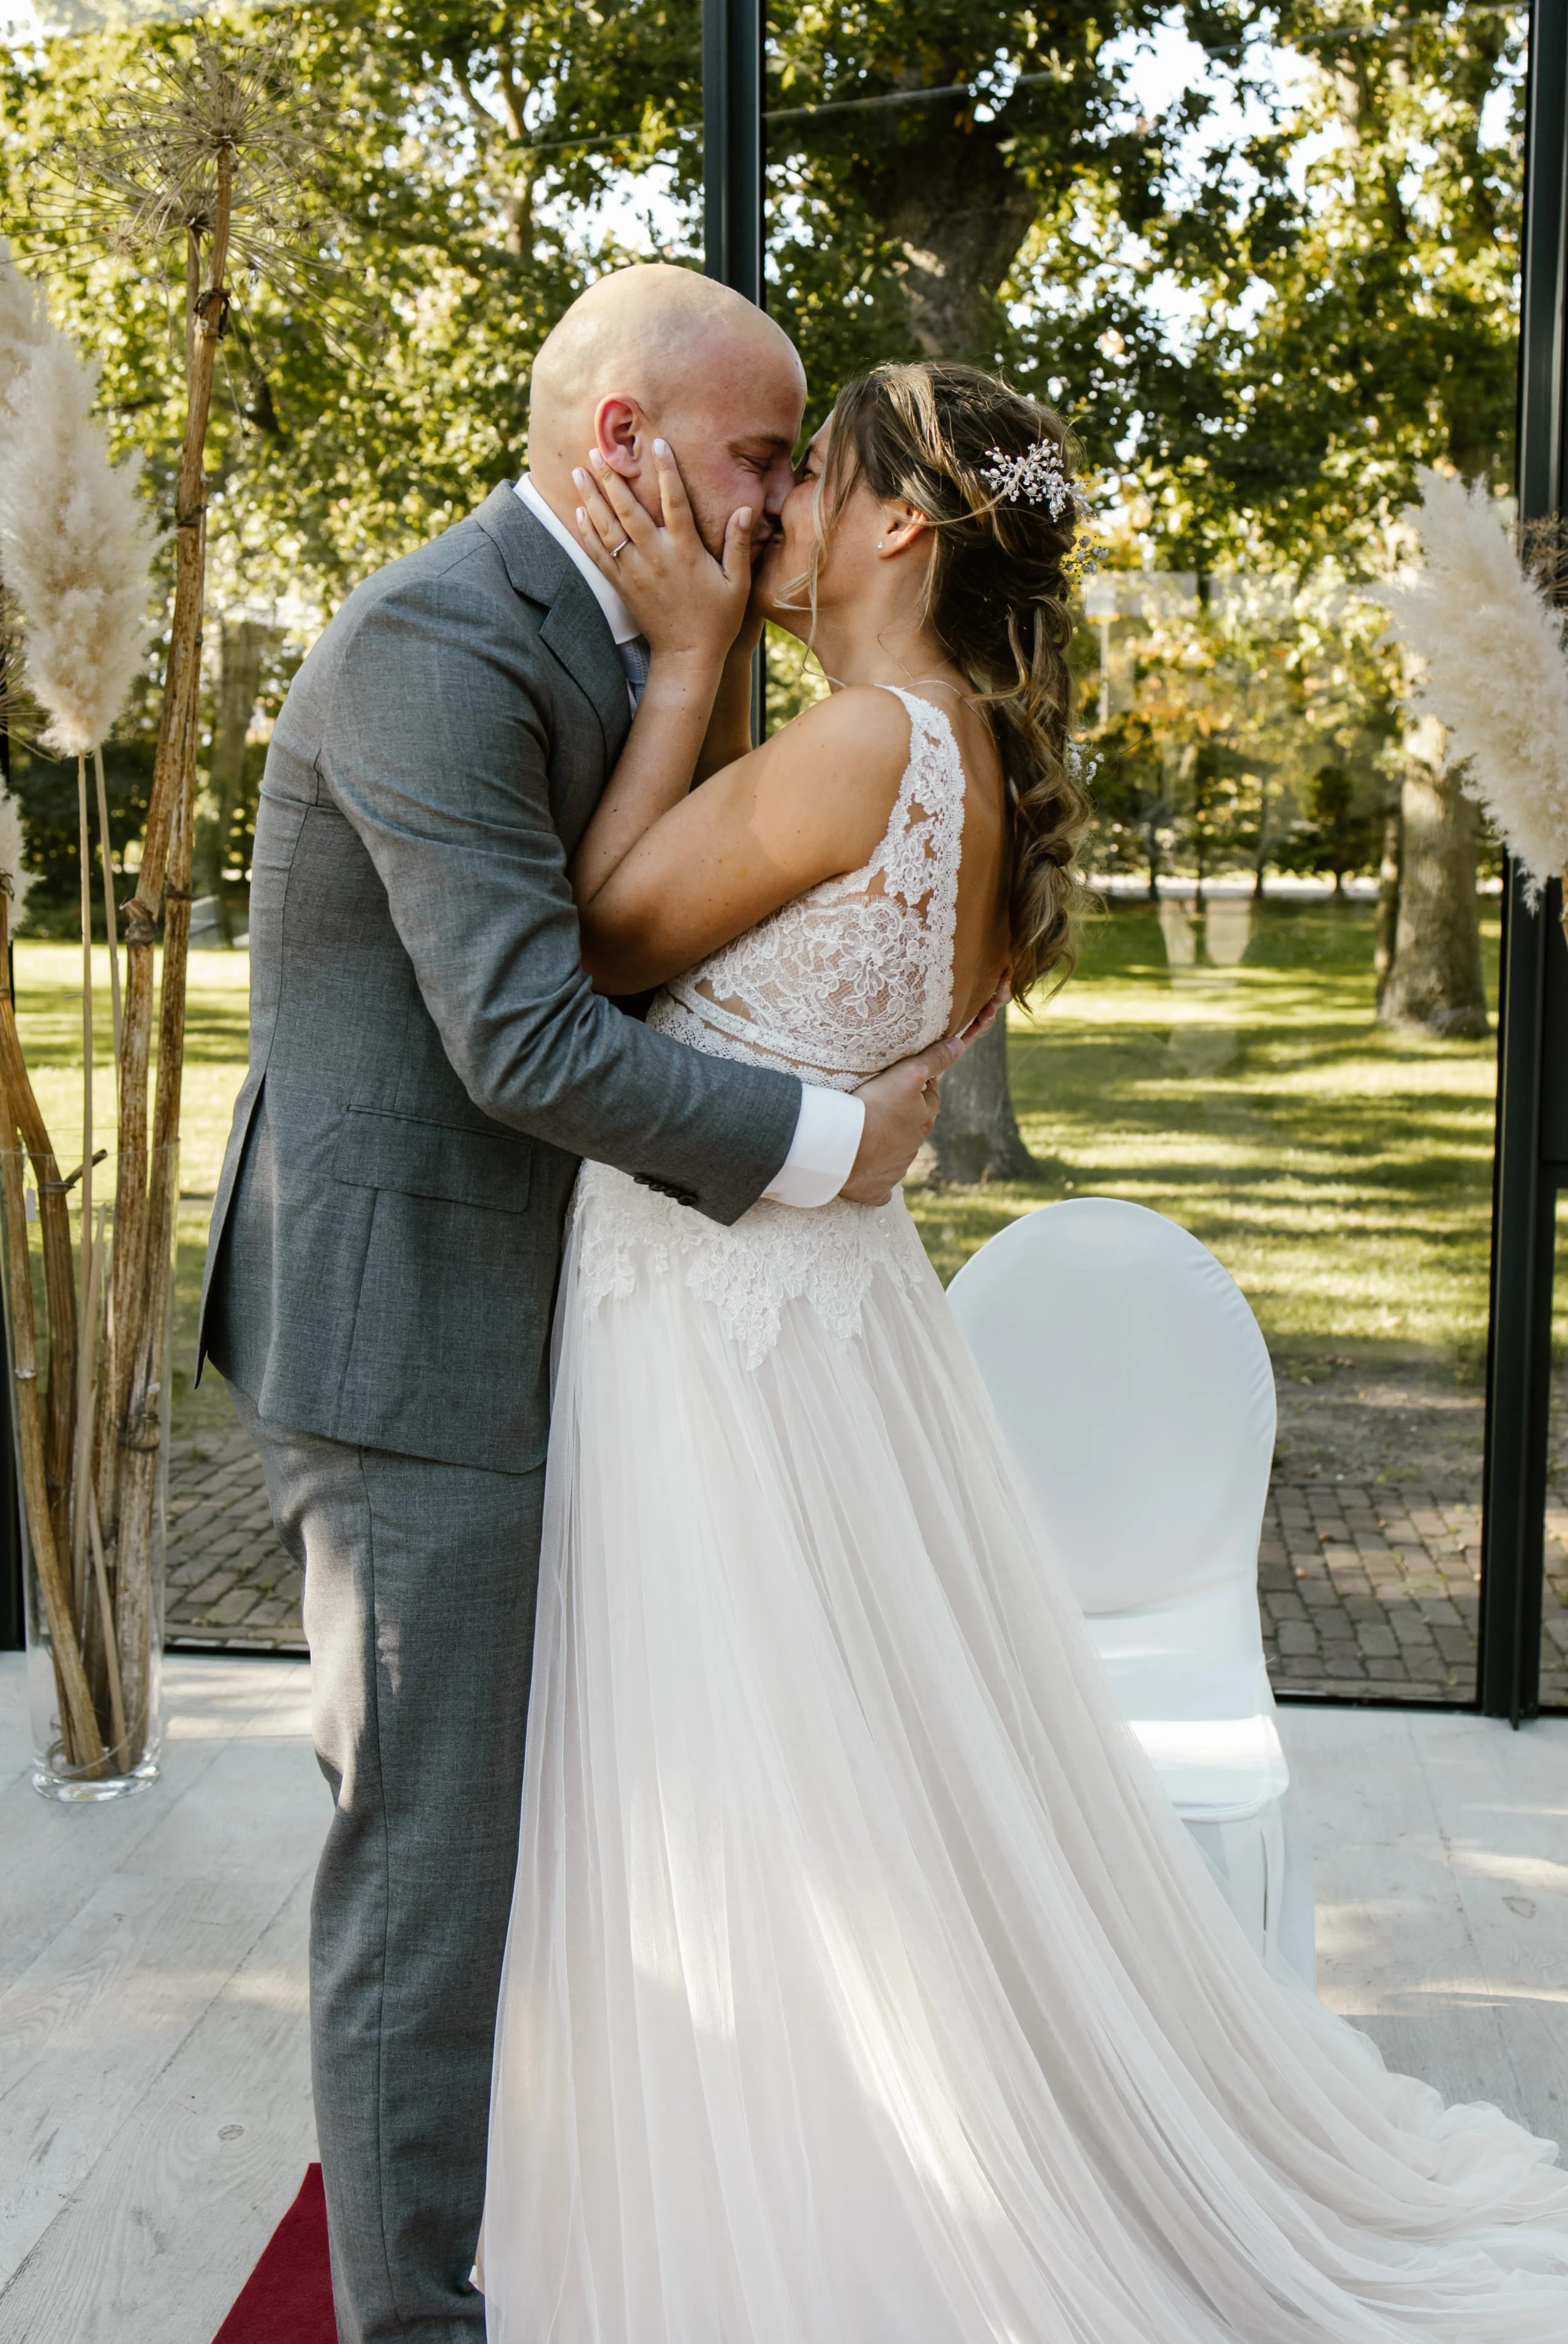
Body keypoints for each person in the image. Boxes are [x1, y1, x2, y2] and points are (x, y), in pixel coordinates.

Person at [477, 360, 1568, 2340]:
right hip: (804, 1333)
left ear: (901, 524)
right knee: (835, 1789)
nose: (781, 494)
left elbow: (603, 931)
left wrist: (680, 654)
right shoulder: (956, 749)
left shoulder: (857, 743)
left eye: (823, 469)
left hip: (725, 1348)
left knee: (763, 1793)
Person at [197, 267, 991, 2344]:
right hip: (411, 1343)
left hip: (589, 1330)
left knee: (571, 1842)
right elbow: (533, 1039)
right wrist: (837, 1145)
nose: (772, 509)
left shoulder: (667, 637)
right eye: (757, 459)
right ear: (623, 443)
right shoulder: (435, 640)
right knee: (431, 1877)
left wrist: (700, 660)